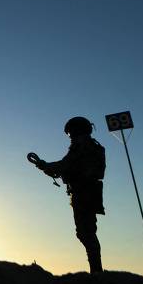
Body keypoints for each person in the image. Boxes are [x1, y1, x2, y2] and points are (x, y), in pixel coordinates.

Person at [33, 116, 106, 273]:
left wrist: (45, 166)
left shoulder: (82, 146)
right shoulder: (93, 146)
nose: (70, 137)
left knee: (85, 232)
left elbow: (64, 165)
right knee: (87, 231)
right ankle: (97, 269)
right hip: (88, 191)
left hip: (83, 192)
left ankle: (97, 271)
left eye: (70, 133)